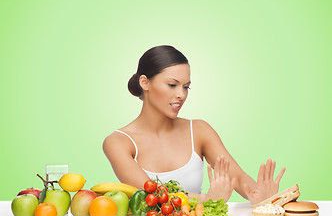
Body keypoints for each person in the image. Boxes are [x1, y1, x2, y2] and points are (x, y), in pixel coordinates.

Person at [103, 45, 286, 204]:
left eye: (186, 87)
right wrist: (207, 199)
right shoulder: (118, 142)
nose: (181, 95)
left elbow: (236, 177)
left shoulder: (199, 131)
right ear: (145, 82)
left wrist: (258, 194)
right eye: (172, 85)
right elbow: (151, 195)